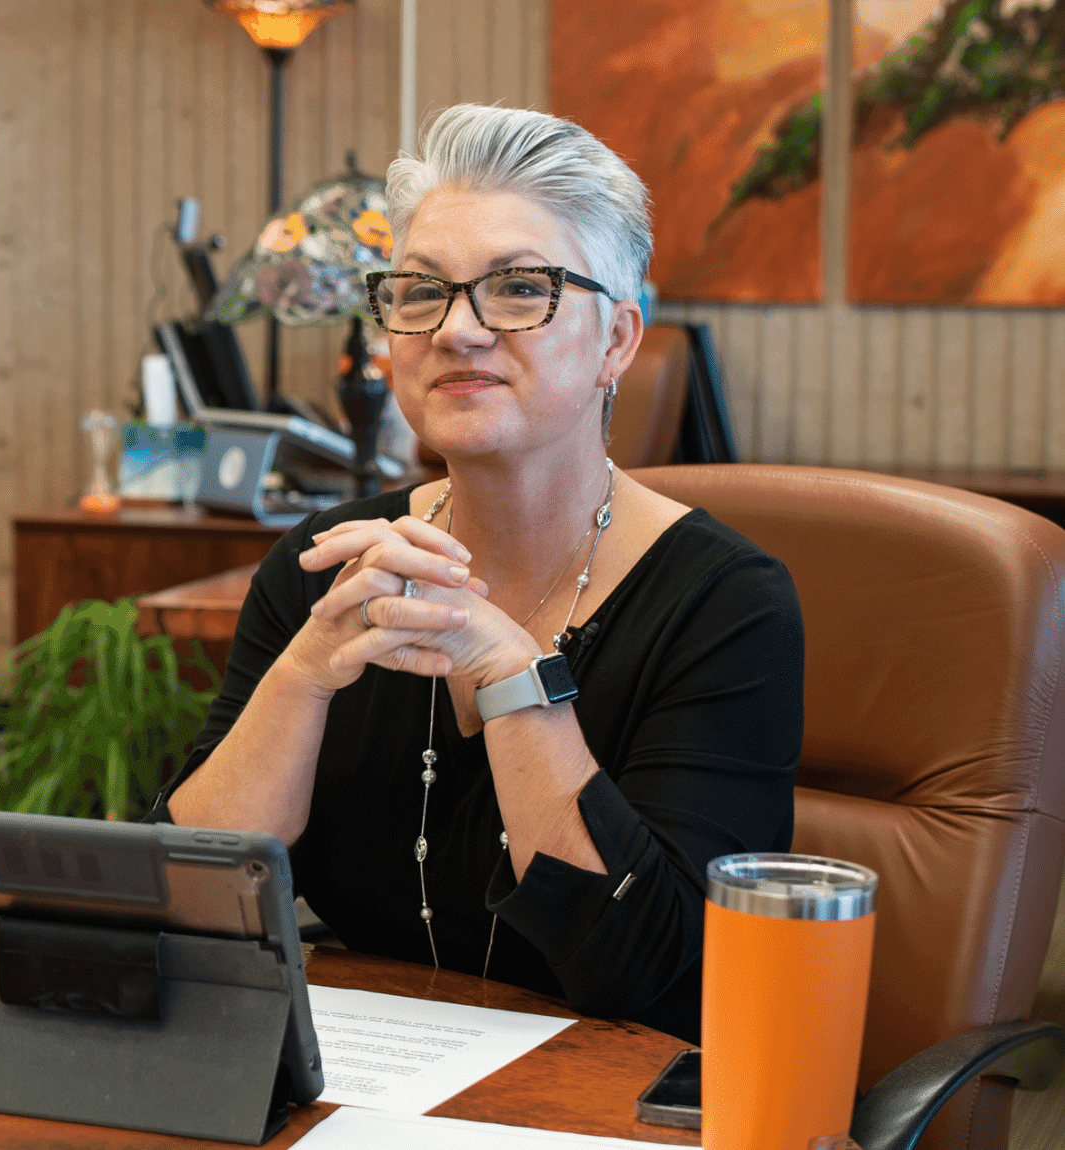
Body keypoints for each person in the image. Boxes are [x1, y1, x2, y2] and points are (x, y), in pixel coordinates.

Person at [154, 105, 802, 1042]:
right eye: (421, 292)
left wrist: (512, 678)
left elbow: (657, 969)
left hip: (600, 1098)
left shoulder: (726, 604)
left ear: (617, 342)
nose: (457, 330)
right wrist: (301, 678)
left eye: (517, 289)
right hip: (352, 1080)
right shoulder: (328, 566)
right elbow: (183, 895)